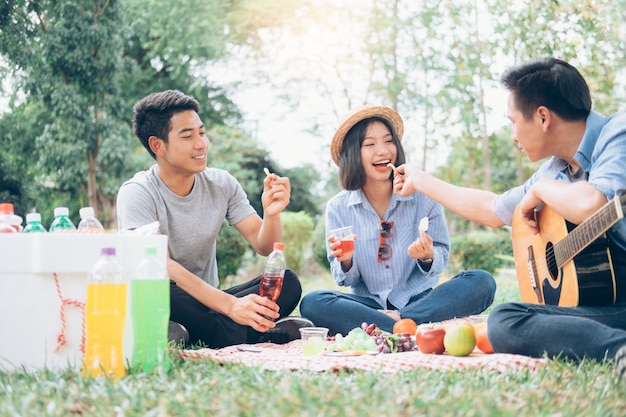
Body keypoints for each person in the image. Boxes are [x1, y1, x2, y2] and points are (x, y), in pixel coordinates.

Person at [393, 57, 626, 372]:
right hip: (610, 306)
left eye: (513, 121)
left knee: (504, 320)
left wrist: (541, 188)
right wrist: (420, 180)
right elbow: (493, 209)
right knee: (505, 319)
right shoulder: (556, 169)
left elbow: (592, 204)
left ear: (543, 117)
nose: (513, 135)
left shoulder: (618, 133)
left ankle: (616, 351)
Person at [116, 90, 313, 349]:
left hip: (210, 301)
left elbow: (263, 246)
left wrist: (272, 214)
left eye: (201, 132)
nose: (201, 143)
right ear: (157, 145)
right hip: (165, 295)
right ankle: (259, 331)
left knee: (287, 283)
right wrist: (231, 305)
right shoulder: (137, 193)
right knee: (162, 292)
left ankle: (191, 333)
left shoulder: (221, 183)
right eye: (187, 136)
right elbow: (159, 264)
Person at [299, 105, 496, 336]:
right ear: (353, 153)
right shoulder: (338, 207)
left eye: (389, 141)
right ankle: (406, 325)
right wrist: (346, 261)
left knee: (482, 282)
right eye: (370, 144)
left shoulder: (424, 195)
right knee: (312, 302)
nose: (383, 151)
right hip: (367, 305)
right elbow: (344, 280)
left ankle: (398, 321)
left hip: (420, 300)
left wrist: (427, 256)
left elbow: (441, 255)